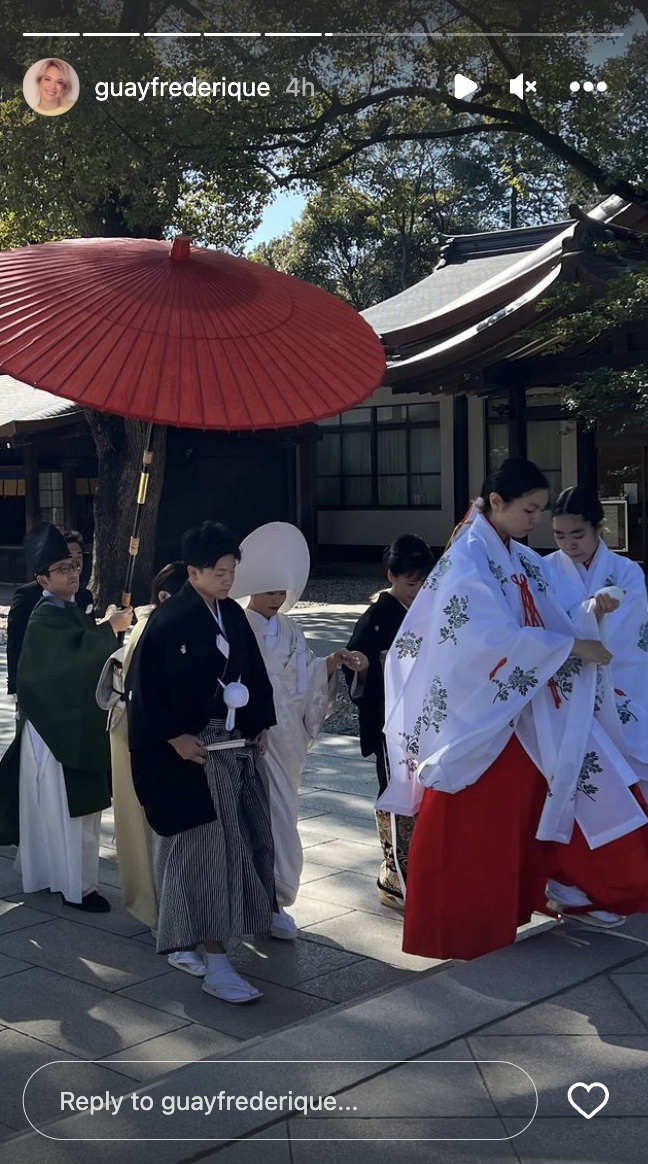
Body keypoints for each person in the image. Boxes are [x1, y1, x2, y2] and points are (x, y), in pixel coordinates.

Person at [383, 459, 648, 961]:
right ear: (497, 503)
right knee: (484, 824)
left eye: (540, 510)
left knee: (545, 797)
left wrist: (587, 619)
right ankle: (466, 927)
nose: (536, 521)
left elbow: (550, 614)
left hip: (521, 703)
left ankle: (560, 887)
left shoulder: (518, 558)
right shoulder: (467, 559)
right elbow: (479, 637)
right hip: (483, 711)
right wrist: (568, 649)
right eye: (530, 510)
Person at [126, 521, 277, 1004]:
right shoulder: (168, 622)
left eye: (232, 571)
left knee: (221, 845)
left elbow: (252, 671)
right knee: (206, 852)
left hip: (230, 746)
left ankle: (183, 938)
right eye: (220, 572)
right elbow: (143, 691)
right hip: (191, 751)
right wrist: (173, 737)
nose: (229, 580)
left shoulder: (230, 614)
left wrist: (259, 723)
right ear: (193, 571)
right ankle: (216, 962)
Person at [230, 522, 368, 939]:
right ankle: (260, 898)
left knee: (284, 815)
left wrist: (329, 664)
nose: (277, 599)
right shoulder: (236, 628)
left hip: (288, 735)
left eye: (281, 593)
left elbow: (304, 675)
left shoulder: (292, 628)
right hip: (252, 736)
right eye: (270, 591)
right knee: (252, 819)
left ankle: (277, 897)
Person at [0, 523, 132, 911]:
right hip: (54, 733)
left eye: (75, 565)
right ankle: (78, 888)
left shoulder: (65, 611)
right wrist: (109, 629)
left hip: (58, 728)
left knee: (57, 811)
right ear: (42, 578)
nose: (73, 572)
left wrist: (105, 631)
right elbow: (63, 666)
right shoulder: (45, 616)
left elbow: (80, 651)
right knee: (67, 813)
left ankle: (54, 877)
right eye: (62, 568)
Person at [544, 485, 648, 923]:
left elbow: (629, 637)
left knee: (633, 771)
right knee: (573, 782)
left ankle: (627, 878)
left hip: (620, 686)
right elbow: (544, 627)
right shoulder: (545, 569)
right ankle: (573, 883)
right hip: (568, 695)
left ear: (598, 528)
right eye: (560, 535)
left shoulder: (626, 572)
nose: (568, 544)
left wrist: (594, 617)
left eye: (578, 535)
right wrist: (589, 614)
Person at [97, 562, 188, 942]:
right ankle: (153, 907)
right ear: (166, 597)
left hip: (162, 730)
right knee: (141, 820)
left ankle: (170, 904)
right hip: (137, 730)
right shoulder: (151, 628)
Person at [344, 534, 434, 911]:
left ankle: (423, 866)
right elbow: (357, 661)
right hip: (389, 720)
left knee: (424, 790)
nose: (417, 591)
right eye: (411, 583)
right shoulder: (378, 616)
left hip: (425, 717)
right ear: (391, 576)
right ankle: (394, 871)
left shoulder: (428, 609)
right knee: (397, 787)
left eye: (423, 582)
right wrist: (363, 667)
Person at [6, 529, 94, 698]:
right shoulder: (27, 596)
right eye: (65, 564)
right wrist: (16, 687)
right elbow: (16, 641)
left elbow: (88, 636)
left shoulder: (84, 595)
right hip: (39, 681)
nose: (75, 564)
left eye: (78, 559)